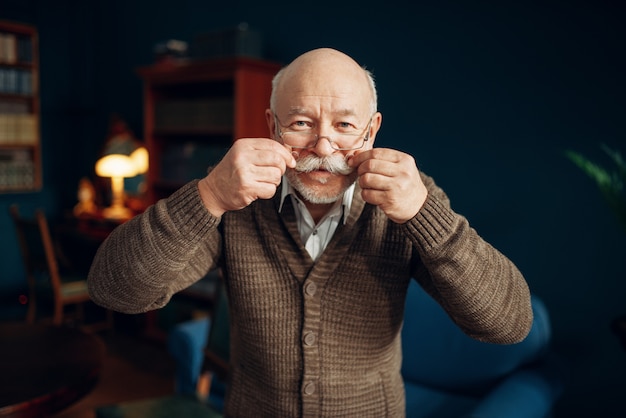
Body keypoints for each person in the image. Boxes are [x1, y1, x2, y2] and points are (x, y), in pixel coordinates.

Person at [88, 48, 533, 417]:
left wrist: (424, 214)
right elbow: (115, 291)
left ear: (372, 129)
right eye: (301, 123)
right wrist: (206, 195)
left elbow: (509, 324)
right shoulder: (230, 193)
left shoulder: (413, 202)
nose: (323, 148)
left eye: (344, 125)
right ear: (271, 126)